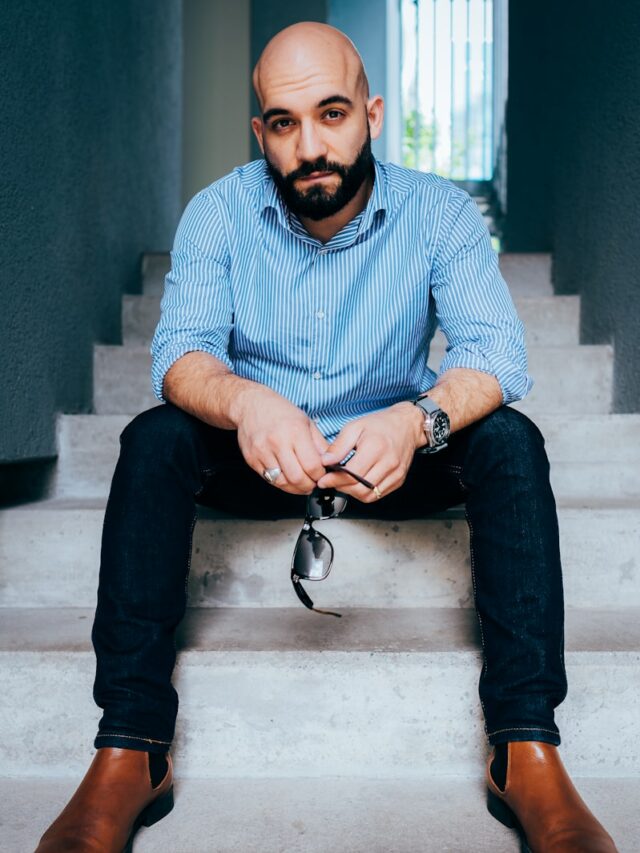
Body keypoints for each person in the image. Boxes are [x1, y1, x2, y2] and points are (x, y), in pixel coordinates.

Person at [35, 21, 618, 853]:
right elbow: (180, 355)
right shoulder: (219, 213)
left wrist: (418, 420)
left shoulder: (440, 213)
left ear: (372, 114)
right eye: (283, 122)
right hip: (260, 455)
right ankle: (131, 747)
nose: (309, 146)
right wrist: (244, 404)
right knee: (154, 438)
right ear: (260, 130)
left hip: (393, 453)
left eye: (332, 113)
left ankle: (526, 747)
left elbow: (498, 354)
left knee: (512, 443)